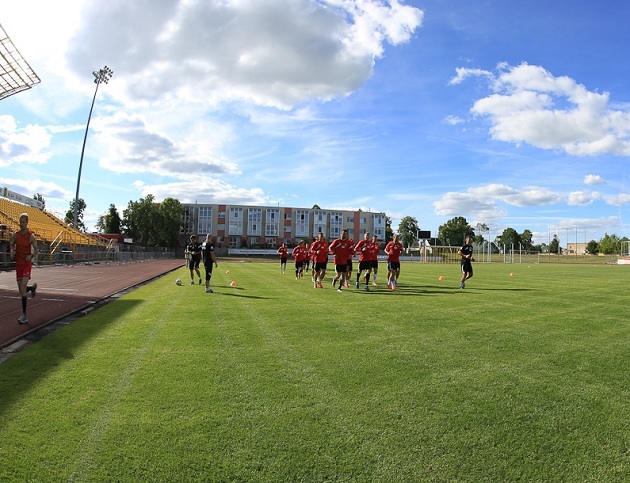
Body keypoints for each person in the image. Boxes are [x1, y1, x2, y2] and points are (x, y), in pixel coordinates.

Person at [9, 213, 38, 324]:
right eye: (20, 222)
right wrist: (12, 252)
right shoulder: (15, 235)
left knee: (22, 286)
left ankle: (24, 315)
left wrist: (31, 256)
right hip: (18, 264)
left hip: (26, 264)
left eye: (23, 222)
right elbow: (11, 244)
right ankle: (31, 289)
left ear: (27, 223)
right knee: (22, 290)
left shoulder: (31, 236)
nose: (21, 224)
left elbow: (36, 250)